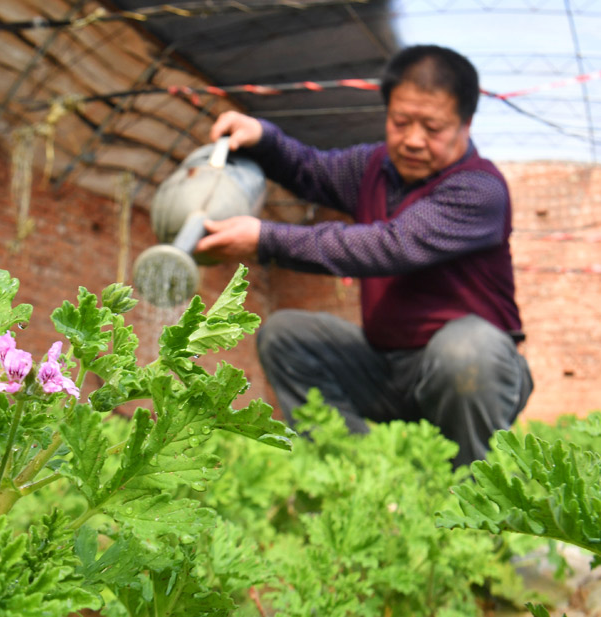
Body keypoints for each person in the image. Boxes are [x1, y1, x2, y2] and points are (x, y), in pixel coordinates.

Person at [195, 44, 533, 467]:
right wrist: (263, 138)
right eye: (400, 121)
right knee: (286, 336)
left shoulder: (479, 189)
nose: (412, 139)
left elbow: (389, 246)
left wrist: (266, 240)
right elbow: (309, 169)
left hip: (471, 373)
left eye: (432, 127)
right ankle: (358, 482)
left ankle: (474, 508)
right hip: (386, 367)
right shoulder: (374, 167)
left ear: (466, 123)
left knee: (465, 352)